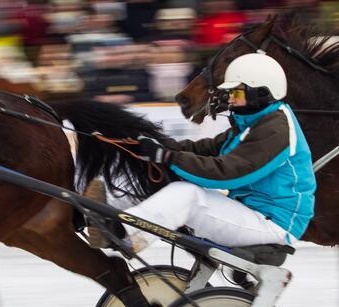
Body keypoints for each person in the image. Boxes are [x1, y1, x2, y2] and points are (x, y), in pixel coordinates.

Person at [87, 53, 316, 252]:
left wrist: (167, 157)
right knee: (168, 185)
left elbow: (229, 171)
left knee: (187, 196)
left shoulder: (275, 130)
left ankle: (124, 233)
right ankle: (104, 210)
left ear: (262, 92)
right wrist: (162, 146)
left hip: (274, 224)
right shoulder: (255, 122)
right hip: (251, 210)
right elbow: (207, 149)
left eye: (236, 93)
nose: (229, 100)